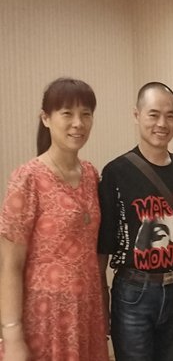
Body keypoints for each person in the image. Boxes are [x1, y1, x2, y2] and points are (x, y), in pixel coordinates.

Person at [0, 78, 108, 360]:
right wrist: (11, 335)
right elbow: (9, 264)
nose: (78, 123)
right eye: (67, 113)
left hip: (87, 312)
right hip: (44, 318)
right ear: (46, 119)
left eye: (86, 114)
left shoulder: (91, 175)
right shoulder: (28, 178)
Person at [97, 82, 173, 361]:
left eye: (170, 115)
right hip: (133, 292)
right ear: (136, 115)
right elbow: (103, 244)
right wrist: (102, 297)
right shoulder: (116, 172)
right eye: (154, 114)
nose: (162, 123)